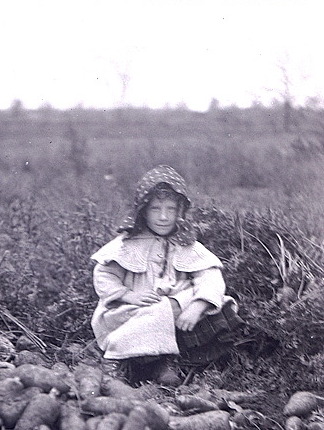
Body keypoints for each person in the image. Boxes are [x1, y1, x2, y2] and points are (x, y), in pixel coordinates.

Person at [90, 165, 237, 386]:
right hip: (133, 309)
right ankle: (117, 359)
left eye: (171, 209)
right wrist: (126, 294)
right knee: (155, 314)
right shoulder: (126, 243)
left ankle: (165, 362)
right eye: (156, 209)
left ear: (181, 211)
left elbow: (210, 275)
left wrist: (198, 305)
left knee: (194, 308)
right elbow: (103, 274)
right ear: (143, 210)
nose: (164, 217)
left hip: (176, 312)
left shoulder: (187, 243)